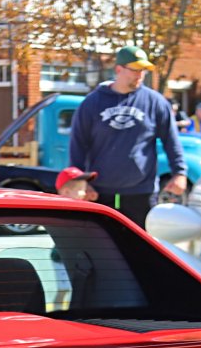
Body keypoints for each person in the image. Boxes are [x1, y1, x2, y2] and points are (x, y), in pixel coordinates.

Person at [64, 46, 187, 227]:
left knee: (139, 243)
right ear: (118, 69)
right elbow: (78, 145)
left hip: (141, 193)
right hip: (99, 193)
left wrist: (179, 173)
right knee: (103, 242)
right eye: (135, 70)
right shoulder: (92, 103)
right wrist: (81, 182)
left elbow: (171, 141)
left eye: (143, 70)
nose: (139, 75)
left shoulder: (155, 102)